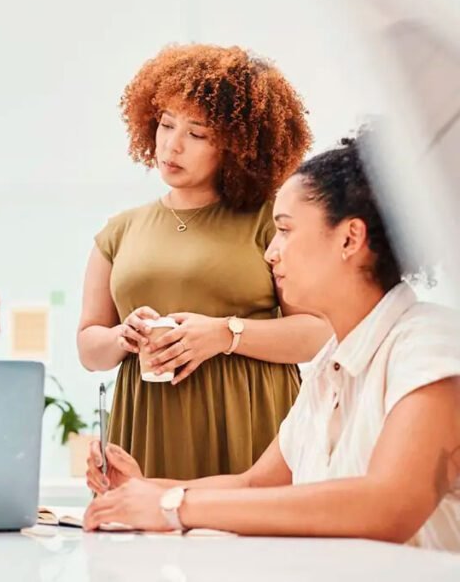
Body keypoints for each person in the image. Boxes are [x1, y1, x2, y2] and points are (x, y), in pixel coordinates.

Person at [84, 133, 460, 551]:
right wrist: (142, 488)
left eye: (284, 230)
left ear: (349, 239)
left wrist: (172, 505)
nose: (271, 253)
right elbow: (254, 484)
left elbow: (386, 505)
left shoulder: (429, 343)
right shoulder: (327, 367)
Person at [77, 44, 331, 480]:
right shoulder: (119, 231)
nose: (172, 145)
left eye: (197, 134)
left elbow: (317, 334)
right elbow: (89, 347)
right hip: (149, 424)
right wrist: (123, 336)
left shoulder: (270, 221)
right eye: (165, 124)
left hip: (252, 423)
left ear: (237, 147)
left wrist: (224, 334)